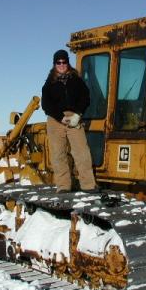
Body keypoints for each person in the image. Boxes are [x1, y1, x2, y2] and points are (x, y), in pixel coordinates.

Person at [41, 49, 97, 193]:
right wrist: (60, 117)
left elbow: (85, 98)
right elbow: (46, 104)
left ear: (68, 63)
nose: (61, 64)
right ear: (54, 64)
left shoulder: (76, 80)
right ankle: (64, 186)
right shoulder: (49, 84)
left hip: (74, 118)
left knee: (82, 152)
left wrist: (78, 114)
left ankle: (88, 185)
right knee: (58, 154)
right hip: (55, 119)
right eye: (58, 62)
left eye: (64, 62)